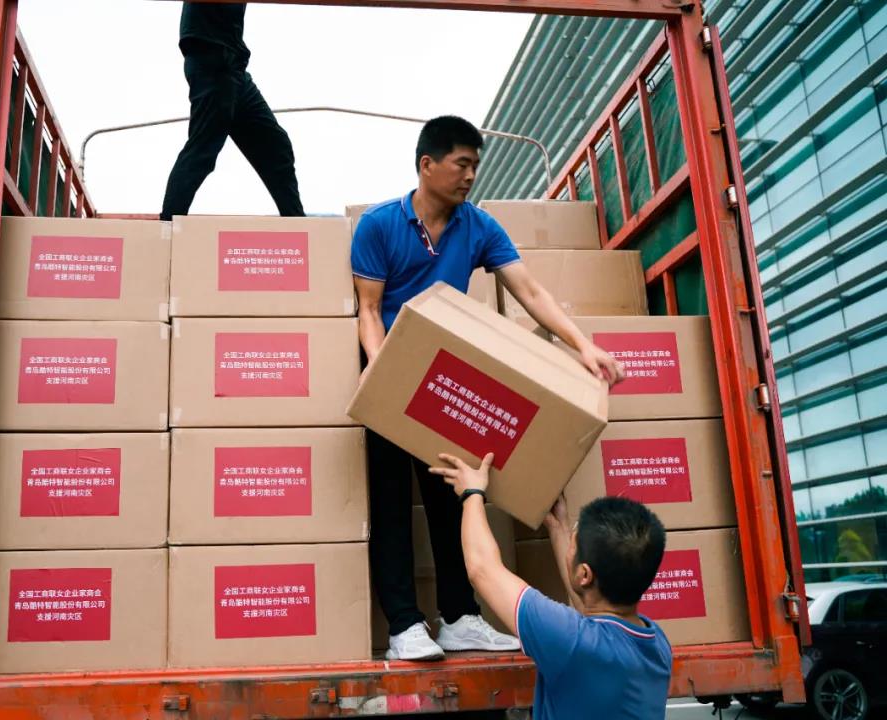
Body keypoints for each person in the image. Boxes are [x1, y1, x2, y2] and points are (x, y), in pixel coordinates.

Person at [351, 115, 625, 660]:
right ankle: (404, 627)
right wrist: (384, 377)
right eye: (462, 164)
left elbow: (530, 291)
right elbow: (369, 309)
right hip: (390, 371)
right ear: (427, 165)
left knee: (453, 496)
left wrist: (582, 344)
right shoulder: (379, 226)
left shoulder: (479, 227)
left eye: (476, 165)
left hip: (444, 377)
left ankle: (459, 619)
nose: (471, 175)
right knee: (391, 502)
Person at [429, 452, 672, 719]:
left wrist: (472, 494)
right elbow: (589, 607)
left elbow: (483, 570)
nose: (570, 548)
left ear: (585, 574)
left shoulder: (570, 640)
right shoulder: (656, 644)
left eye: (573, 545)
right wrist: (559, 529)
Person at [160, 2, 304, 220]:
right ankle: (167, 228)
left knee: (276, 146)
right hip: (212, 60)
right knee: (203, 150)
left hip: (234, 66)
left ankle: (297, 225)